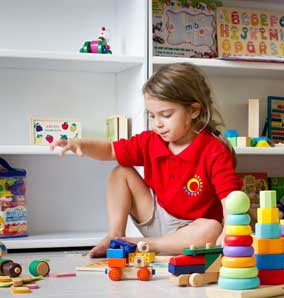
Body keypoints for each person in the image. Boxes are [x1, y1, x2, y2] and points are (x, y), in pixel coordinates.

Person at [50, 63, 243, 258]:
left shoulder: (213, 150)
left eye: (166, 115)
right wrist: (80, 144)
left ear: (194, 111)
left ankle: (147, 245)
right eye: (152, 115)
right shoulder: (150, 141)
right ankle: (115, 236)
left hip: (191, 229)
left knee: (211, 228)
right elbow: (110, 150)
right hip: (155, 217)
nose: (158, 123)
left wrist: (229, 229)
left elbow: (230, 196)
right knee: (121, 172)